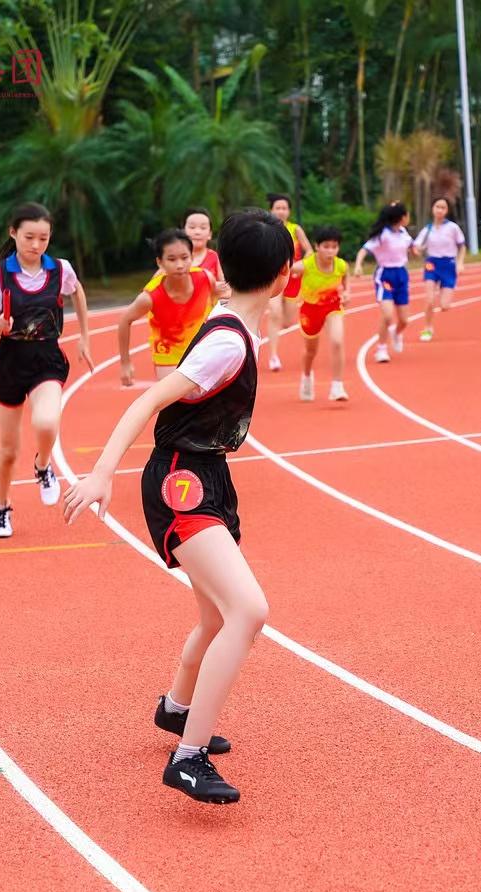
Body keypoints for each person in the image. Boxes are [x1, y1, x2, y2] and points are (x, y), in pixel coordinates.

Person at [63, 208, 292, 805]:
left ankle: (176, 708)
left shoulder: (235, 322)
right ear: (284, 275)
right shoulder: (227, 343)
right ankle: (188, 759)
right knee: (248, 610)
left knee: (216, 617)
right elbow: (148, 401)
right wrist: (102, 472)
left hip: (205, 473)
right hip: (180, 481)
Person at [0, 202, 93, 538]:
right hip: (9, 363)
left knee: (46, 421)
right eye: (29, 237)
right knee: (8, 451)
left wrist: (84, 337)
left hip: (46, 358)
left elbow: (77, 292)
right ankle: (2, 506)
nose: (36, 244)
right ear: (13, 233)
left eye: (43, 238)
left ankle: (43, 465)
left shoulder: (60, 269)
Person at [118, 229, 217, 387]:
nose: (179, 265)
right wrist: (125, 363)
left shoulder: (205, 278)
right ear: (160, 262)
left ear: (192, 257)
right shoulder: (150, 297)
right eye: (172, 259)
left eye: (184, 258)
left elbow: (218, 296)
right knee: (175, 394)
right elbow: (125, 320)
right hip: (168, 353)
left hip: (201, 348)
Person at [289, 226, 351, 401]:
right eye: (326, 246)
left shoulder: (341, 265)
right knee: (311, 351)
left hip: (333, 307)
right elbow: (286, 271)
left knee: (337, 341)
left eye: (334, 247)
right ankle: (307, 377)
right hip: (310, 310)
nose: (330, 251)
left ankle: (337, 386)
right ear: (317, 246)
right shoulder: (306, 265)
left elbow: (346, 278)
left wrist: (347, 292)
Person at [353, 201, 416, 362]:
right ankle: (381, 349)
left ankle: (396, 332)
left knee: (404, 320)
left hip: (401, 274)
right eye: (407, 214)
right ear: (402, 217)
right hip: (385, 275)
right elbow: (364, 250)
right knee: (387, 315)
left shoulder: (404, 232)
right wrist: (358, 265)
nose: (408, 217)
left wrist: (415, 250)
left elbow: (412, 246)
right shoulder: (382, 235)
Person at [262, 193, 313, 371]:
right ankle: (273, 356)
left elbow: (309, 252)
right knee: (274, 313)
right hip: (273, 276)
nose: (281, 211)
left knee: (288, 321)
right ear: (271, 210)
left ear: (289, 211)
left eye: (284, 208)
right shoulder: (266, 229)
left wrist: (301, 265)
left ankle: (280, 325)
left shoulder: (295, 229)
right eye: (278, 208)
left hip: (292, 277)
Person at [412, 196, 467, 341]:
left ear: (447, 211)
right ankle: (427, 328)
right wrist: (417, 250)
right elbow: (417, 246)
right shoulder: (427, 229)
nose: (440, 210)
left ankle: (444, 296)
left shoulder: (453, 228)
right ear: (432, 209)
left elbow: (462, 247)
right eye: (437, 207)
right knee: (429, 300)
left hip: (448, 265)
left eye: (443, 208)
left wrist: (460, 263)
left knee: (444, 306)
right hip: (432, 264)